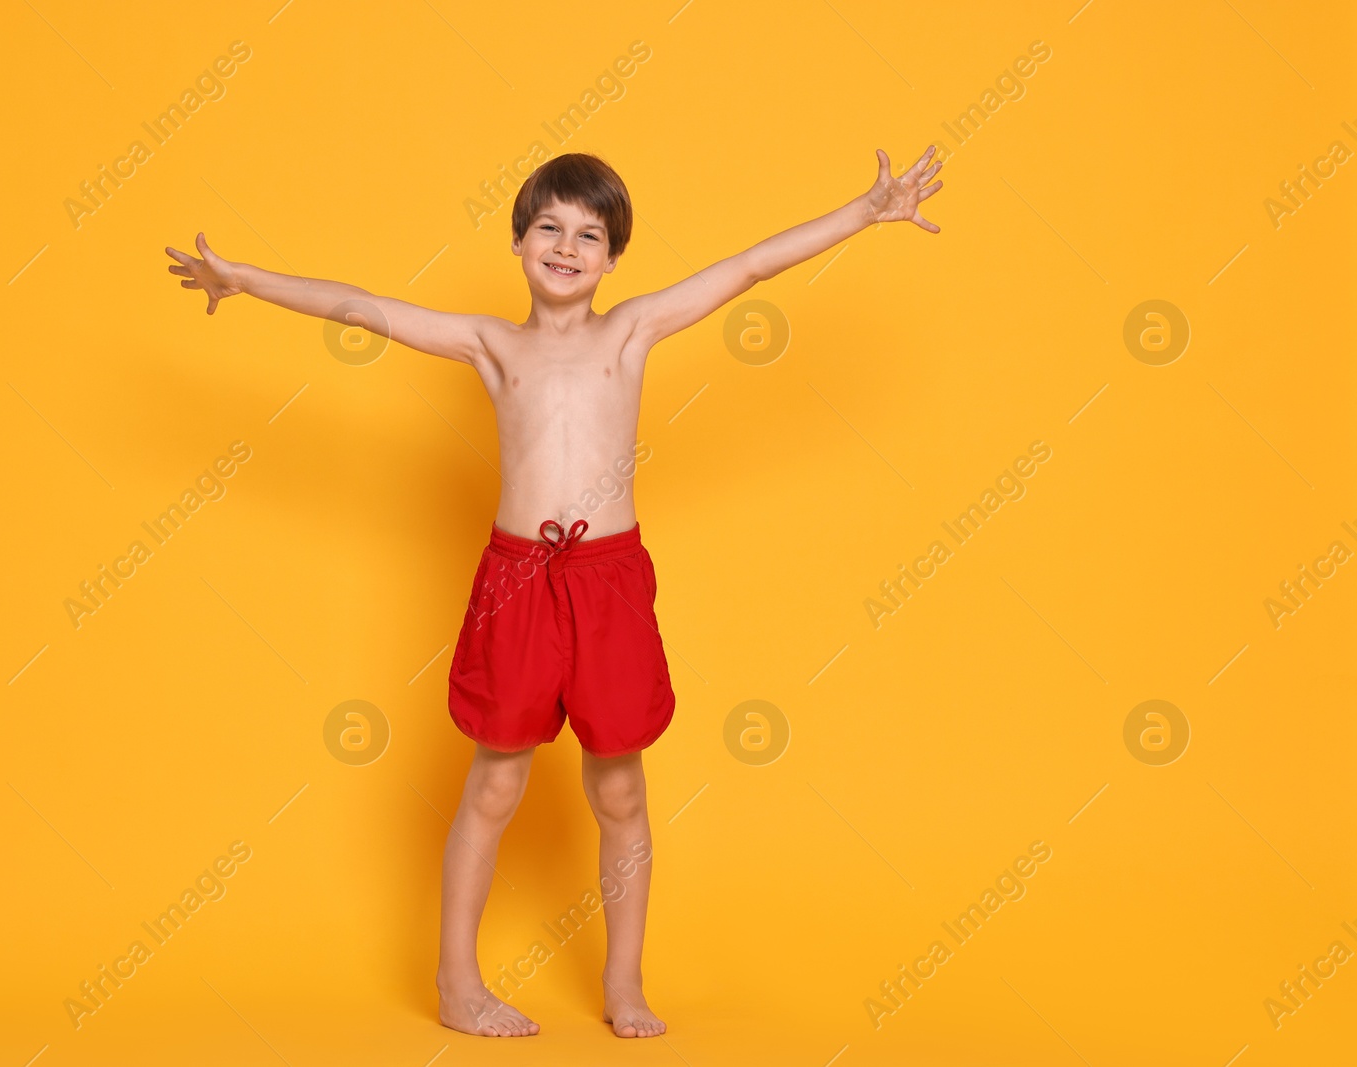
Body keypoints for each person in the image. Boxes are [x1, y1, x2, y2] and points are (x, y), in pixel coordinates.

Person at [165, 147, 943, 1038]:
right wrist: (244, 279)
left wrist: (864, 210)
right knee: (495, 784)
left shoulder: (634, 329)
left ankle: (623, 983)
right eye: (550, 229)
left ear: (613, 258)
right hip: (517, 581)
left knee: (621, 792)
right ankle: (458, 984)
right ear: (519, 242)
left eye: (590, 235)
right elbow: (361, 307)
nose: (568, 248)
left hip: (608, 582)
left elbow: (750, 265)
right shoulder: (491, 345)